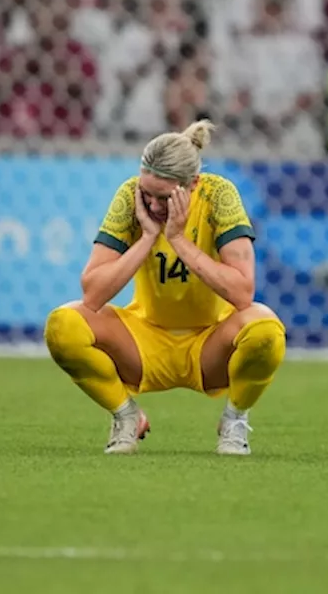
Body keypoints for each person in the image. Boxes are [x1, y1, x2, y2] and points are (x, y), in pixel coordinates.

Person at [45, 121, 286, 455]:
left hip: (210, 344)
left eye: (165, 198)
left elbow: (243, 292)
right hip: (143, 342)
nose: (154, 206)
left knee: (267, 331)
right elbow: (93, 294)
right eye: (148, 195)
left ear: (193, 184)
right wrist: (146, 238)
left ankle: (235, 419)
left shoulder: (219, 195)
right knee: (63, 325)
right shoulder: (131, 198)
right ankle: (126, 415)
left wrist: (176, 240)